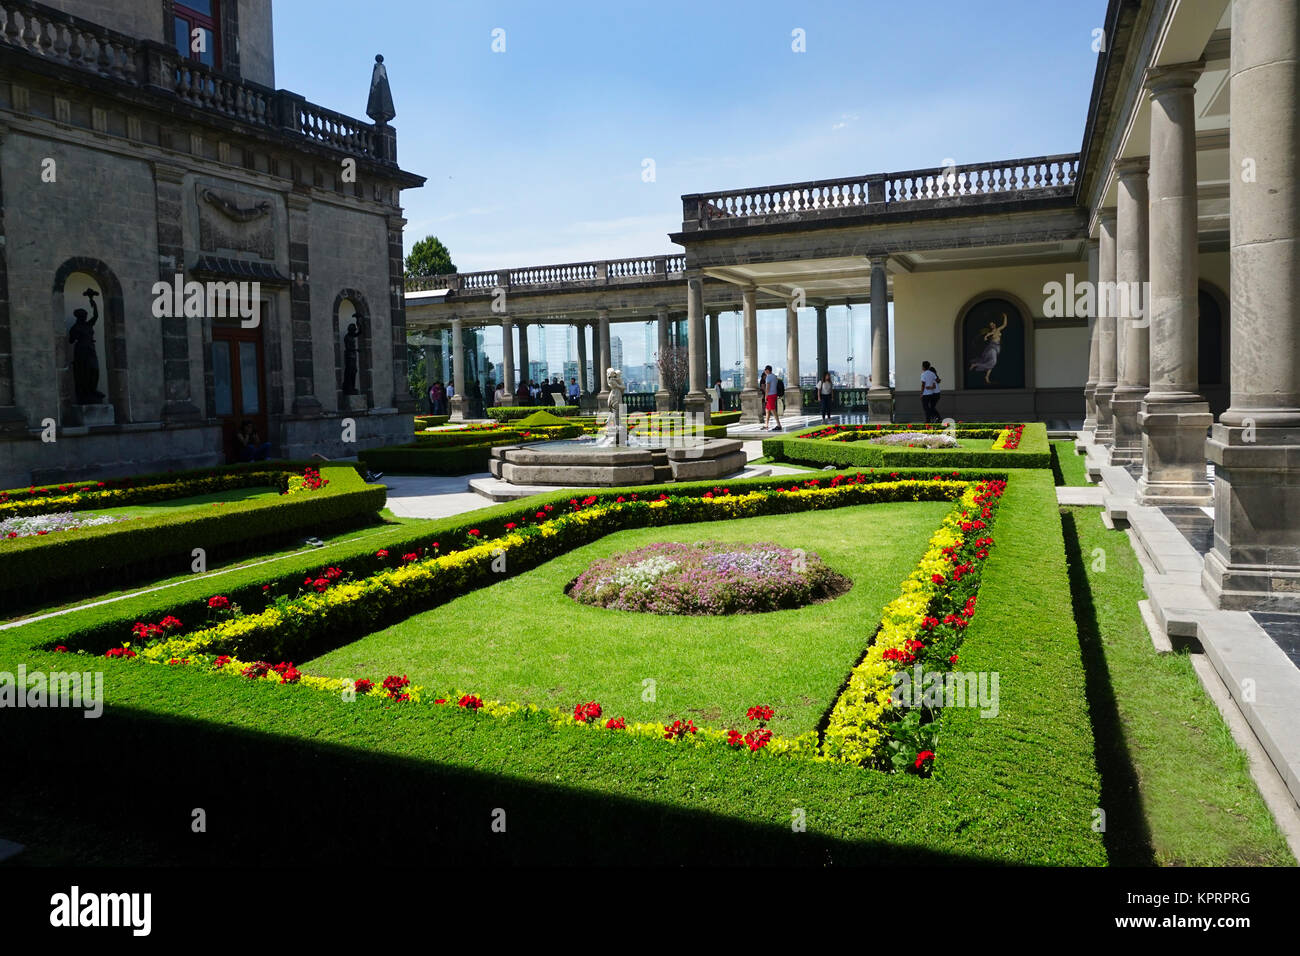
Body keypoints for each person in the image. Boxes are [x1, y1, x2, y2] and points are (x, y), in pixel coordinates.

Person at [969, 312, 1009, 385]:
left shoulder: (998, 329)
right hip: (992, 348)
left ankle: (987, 377)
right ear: (990, 326)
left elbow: (1004, 325)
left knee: (991, 362)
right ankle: (975, 364)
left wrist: (1005, 316)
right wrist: (985, 337)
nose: (992, 325)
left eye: (993, 324)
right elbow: (986, 336)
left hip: (997, 347)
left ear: (995, 324)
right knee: (993, 362)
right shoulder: (991, 332)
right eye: (991, 325)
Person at [762, 364, 782, 432]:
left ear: (767, 370)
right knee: (767, 410)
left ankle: (779, 425)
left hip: (770, 395)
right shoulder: (774, 376)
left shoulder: (768, 377)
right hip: (774, 394)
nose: (764, 371)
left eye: (765, 370)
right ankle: (766, 425)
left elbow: (767, 388)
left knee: (773, 410)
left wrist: (765, 396)